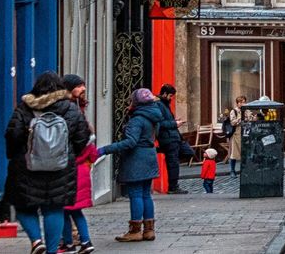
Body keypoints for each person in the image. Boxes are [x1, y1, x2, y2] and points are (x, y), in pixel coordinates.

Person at [4, 71, 92, 254]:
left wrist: (16, 156)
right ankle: (51, 251)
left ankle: (36, 240)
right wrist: (68, 154)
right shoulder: (71, 109)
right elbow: (83, 137)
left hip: (27, 167)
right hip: (60, 168)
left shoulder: (24, 108)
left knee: (23, 206)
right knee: (54, 209)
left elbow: (13, 135)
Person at [99, 88, 167, 242]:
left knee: (135, 194)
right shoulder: (153, 116)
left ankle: (135, 230)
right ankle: (149, 230)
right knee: (145, 194)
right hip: (149, 156)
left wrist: (105, 150)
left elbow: (130, 142)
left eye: (131, 101)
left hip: (136, 159)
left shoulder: (137, 119)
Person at [61, 74, 98, 254]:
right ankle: (84, 241)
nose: (83, 89)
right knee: (74, 211)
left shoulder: (70, 110)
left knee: (65, 210)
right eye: (80, 85)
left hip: (71, 168)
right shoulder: (77, 110)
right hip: (80, 168)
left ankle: (69, 243)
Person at [155, 84, 194, 194]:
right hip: (168, 138)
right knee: (173, 162)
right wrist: (174, 123)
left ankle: (161, 149)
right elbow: (160, 123)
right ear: (165, 94)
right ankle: (173, 186)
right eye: (171, 96)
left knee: (188, 152)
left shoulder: (165, 105)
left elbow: (166, 121)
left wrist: (174, 121)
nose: (172, 98)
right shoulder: (158, 105)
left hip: (174, 137)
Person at [223, 95, 247, 175]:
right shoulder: (234, 111)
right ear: (237, 103)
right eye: (241, 102)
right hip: (236, 134)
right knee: (234, 153)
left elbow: (250, 120)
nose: (242, 104)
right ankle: (232, 171)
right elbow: (232, 123)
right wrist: (240, 119)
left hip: (245, 134)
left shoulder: (247, 110)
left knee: (245, 153)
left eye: (244, 102)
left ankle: (244, 170)